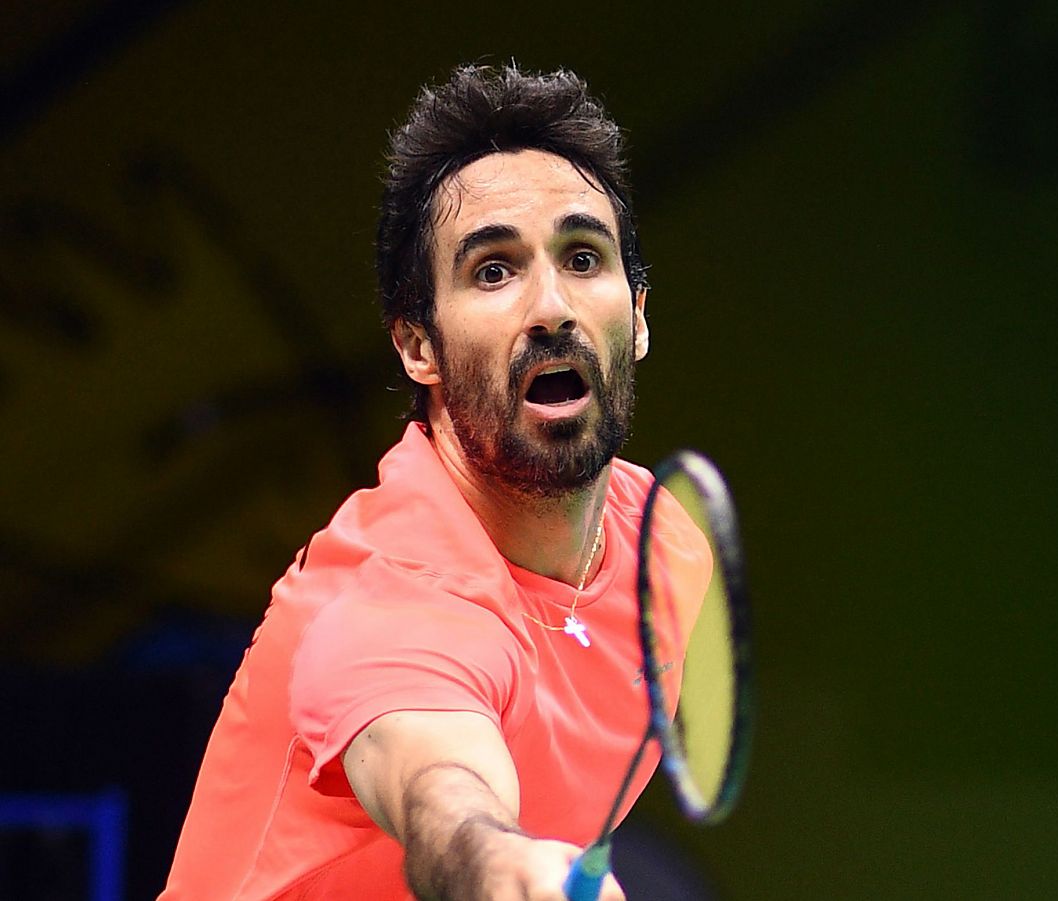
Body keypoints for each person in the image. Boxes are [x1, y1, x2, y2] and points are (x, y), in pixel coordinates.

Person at [162, 64, 682, 900]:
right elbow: (443, 797)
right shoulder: (386, 601)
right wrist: (504, 865)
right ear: (418, 347)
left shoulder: (663, 548)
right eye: (493, 270)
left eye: (583, 257)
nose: (551, 305)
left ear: (640, 315)